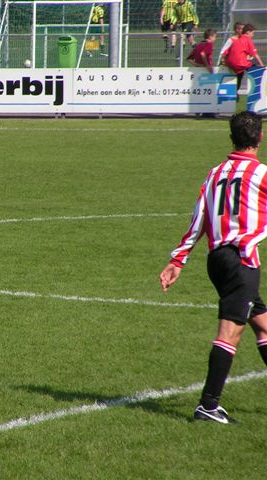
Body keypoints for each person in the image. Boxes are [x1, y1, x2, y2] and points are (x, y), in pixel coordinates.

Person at [159, 111, 267, 424]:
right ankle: (208, 405)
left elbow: (199, 219)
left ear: (232, 138)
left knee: (262, 325)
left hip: (217, 261)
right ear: (259, 138)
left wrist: (177, 259)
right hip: (241, 261)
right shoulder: (260, 173)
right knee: (230, 332)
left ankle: (209, 405)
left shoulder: (215, 174)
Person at [225, 24, 264, 101]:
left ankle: (236, 92)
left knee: (240, 73)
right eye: (252, 33)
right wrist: (261, 65)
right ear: (248, 32)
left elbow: (226, 52)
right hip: (240, 63)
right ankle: (256, 94)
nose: (253, 35)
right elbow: (255, 54)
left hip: (230, 63)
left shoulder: (236, 40)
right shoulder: (247, 39)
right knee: (256, 69)